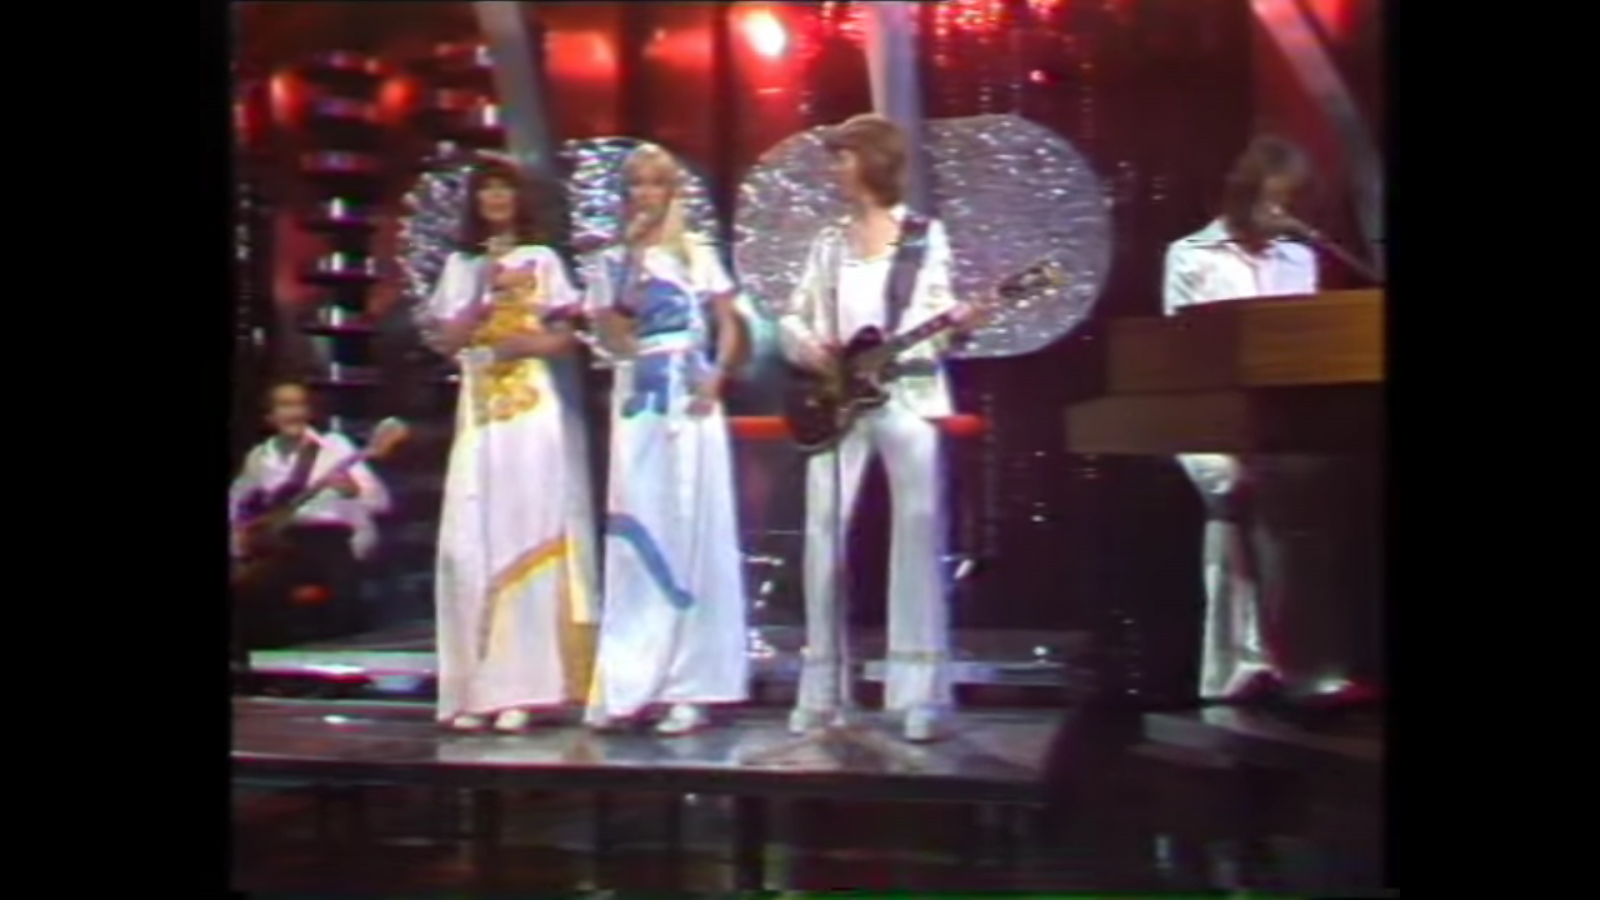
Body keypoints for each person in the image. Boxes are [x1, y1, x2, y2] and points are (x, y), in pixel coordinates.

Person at [775, 114, 977, 743]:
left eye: (843, 157)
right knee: (822, 534)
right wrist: (811, 349)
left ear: (872, 161)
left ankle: (920, 694)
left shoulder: (923, 238)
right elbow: (792, 318)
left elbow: (937, 319)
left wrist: (956, 326)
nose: (834, 168)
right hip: (839, 399)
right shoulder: (829, 243)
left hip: (906, 396)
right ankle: (822, 688)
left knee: (917, 533)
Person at [1163, 135, 1371, 705]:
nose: (1280, 213)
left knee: (1296, 510)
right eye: (1272, 199)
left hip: (1278, 421)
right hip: (1206, 418)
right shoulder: (1191, 254)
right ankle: (1247, 666)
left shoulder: (1299, 257)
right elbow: (1177, 349)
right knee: (1235, 502)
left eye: (1290, 202)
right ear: (1244, 193)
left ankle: (1289, 663)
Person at [420, 159, 600, 732]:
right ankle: (475, 690)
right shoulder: (460, 266)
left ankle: (526, 688)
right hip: (479, 413)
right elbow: (446, 341)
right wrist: (479, 294)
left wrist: (529, 342)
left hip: (530, 411)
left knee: (528, 529)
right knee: (469, 540)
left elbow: (568, 337)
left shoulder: (543, 260)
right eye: (487, 188)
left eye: (505, 188)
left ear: (519, 198)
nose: (496, 197)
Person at [581, 144, 749, 736]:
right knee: (638, 526)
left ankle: (691, 684)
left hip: (690, 394)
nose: (646, 195)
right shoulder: (611, 260)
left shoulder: (696, 251)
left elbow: (730, 324)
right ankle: (631, 681)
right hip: (638, 398)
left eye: (656, 184)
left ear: (672, 191)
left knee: (693, 526)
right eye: (637, 185)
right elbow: (611, 329)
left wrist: (717, 376)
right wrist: (630, 259)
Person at [229, 379, 391, 657]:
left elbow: (381, 501)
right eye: (284, 405)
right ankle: (263, 667)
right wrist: (240, 541)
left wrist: (353, 491)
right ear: (269, 416)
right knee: (247, 591)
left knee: (341, 599)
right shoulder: (259, 458)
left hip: (330, 538)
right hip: (282, 545)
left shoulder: (334, 447)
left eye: (299, 404)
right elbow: (236, 505)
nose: (294, 412)